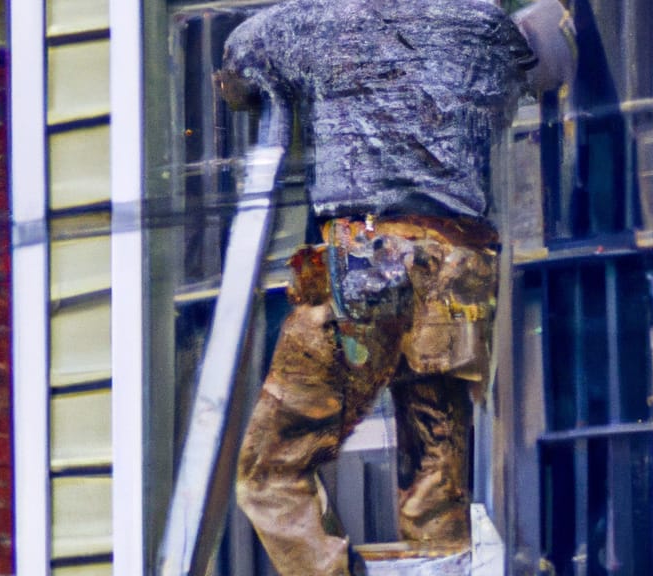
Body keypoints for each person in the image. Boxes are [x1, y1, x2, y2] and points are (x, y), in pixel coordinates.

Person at [219, 1, 572, 573]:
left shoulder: (310, 21)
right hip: (459, 267)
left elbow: (237, 69)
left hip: (367, 262)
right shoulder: (480, 20)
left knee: (272, 469)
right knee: (436, 483)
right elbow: (548, 67)